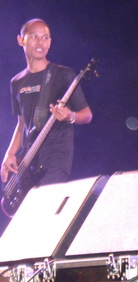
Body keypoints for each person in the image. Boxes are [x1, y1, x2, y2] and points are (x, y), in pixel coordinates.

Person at [2, 19, 92, 189]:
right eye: (34, 36)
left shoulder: (63, 74)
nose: (40, 42)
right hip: (29, 159)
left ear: (50, 42)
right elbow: (22, 125)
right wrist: (10, 154)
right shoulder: (16, 82)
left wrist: (70, 116)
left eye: (45, 37)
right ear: (21, 40)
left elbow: (87, 115)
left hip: (56, 157)